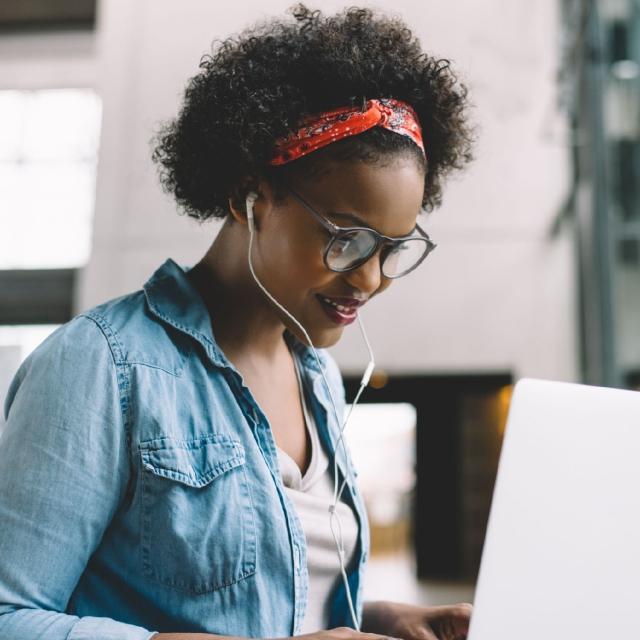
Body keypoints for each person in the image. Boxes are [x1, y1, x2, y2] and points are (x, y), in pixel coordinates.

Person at [0, 4, 474, 640]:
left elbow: (283, 600)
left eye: (393, 249)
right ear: (251, 196)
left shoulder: (318, 380)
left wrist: (386, 619)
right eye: (348, 240)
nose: (368, 279)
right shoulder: (98, 368)